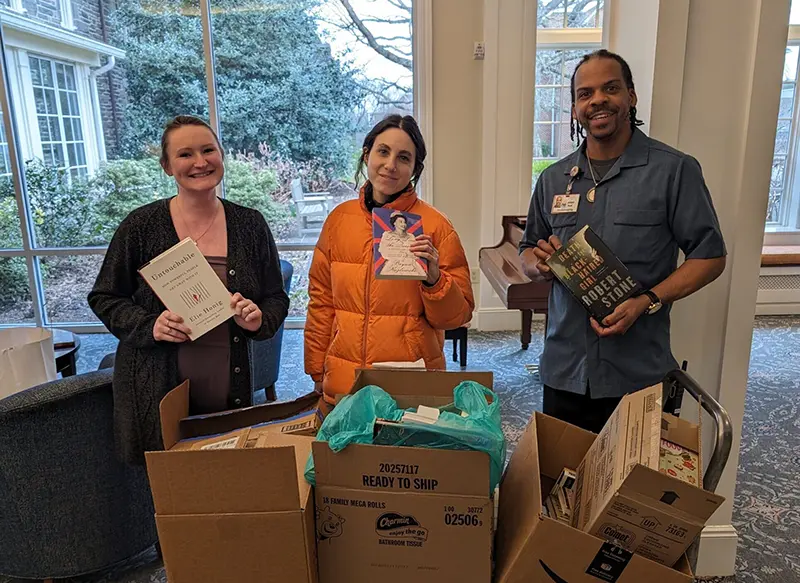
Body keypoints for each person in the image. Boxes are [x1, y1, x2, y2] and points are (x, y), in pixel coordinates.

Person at [520, 50, 726, 433]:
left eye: (610, 88)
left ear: (631, 96)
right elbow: (528, 250)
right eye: (585, 93)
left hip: (637, 375)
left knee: (632, 489)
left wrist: (647, 301)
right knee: (564, 484)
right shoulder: (552, 178)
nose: (597, 99)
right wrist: (537, 264)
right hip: (564, 370)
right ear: (575, 108)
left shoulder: (674, 171)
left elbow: (711, 257)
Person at [88, 115, 289, 464]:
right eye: (185, 154)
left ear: (221, 156)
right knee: (165, 497)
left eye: (208, 150)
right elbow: (105, 296)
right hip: (156, 388)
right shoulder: (140, 225)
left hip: (229, 390)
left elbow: (275, 298)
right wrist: (149, 325)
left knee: (226, 485)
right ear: (167, 166)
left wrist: (258, 319)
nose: (200, 162)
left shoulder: (250, 224)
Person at [305, 114, 474, 404]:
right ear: (367, 153)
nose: (391, 165)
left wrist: (435, 281)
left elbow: (457, 317)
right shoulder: (338, 221)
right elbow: (321, 301)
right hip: (346, 378)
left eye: (404, 157)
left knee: (400, 451)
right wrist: (316, 367)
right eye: (383, 151)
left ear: (414, 169)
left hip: (409, 382)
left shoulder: (436, 227)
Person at [378, 210, 427, 277]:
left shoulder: (411, 236)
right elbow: (383, 251)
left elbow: (415, 254)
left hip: (410, 265)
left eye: (404, 222)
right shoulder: (387, 235)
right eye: (400, 222)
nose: (403, 224)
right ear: (394, 223)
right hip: (393, 265)